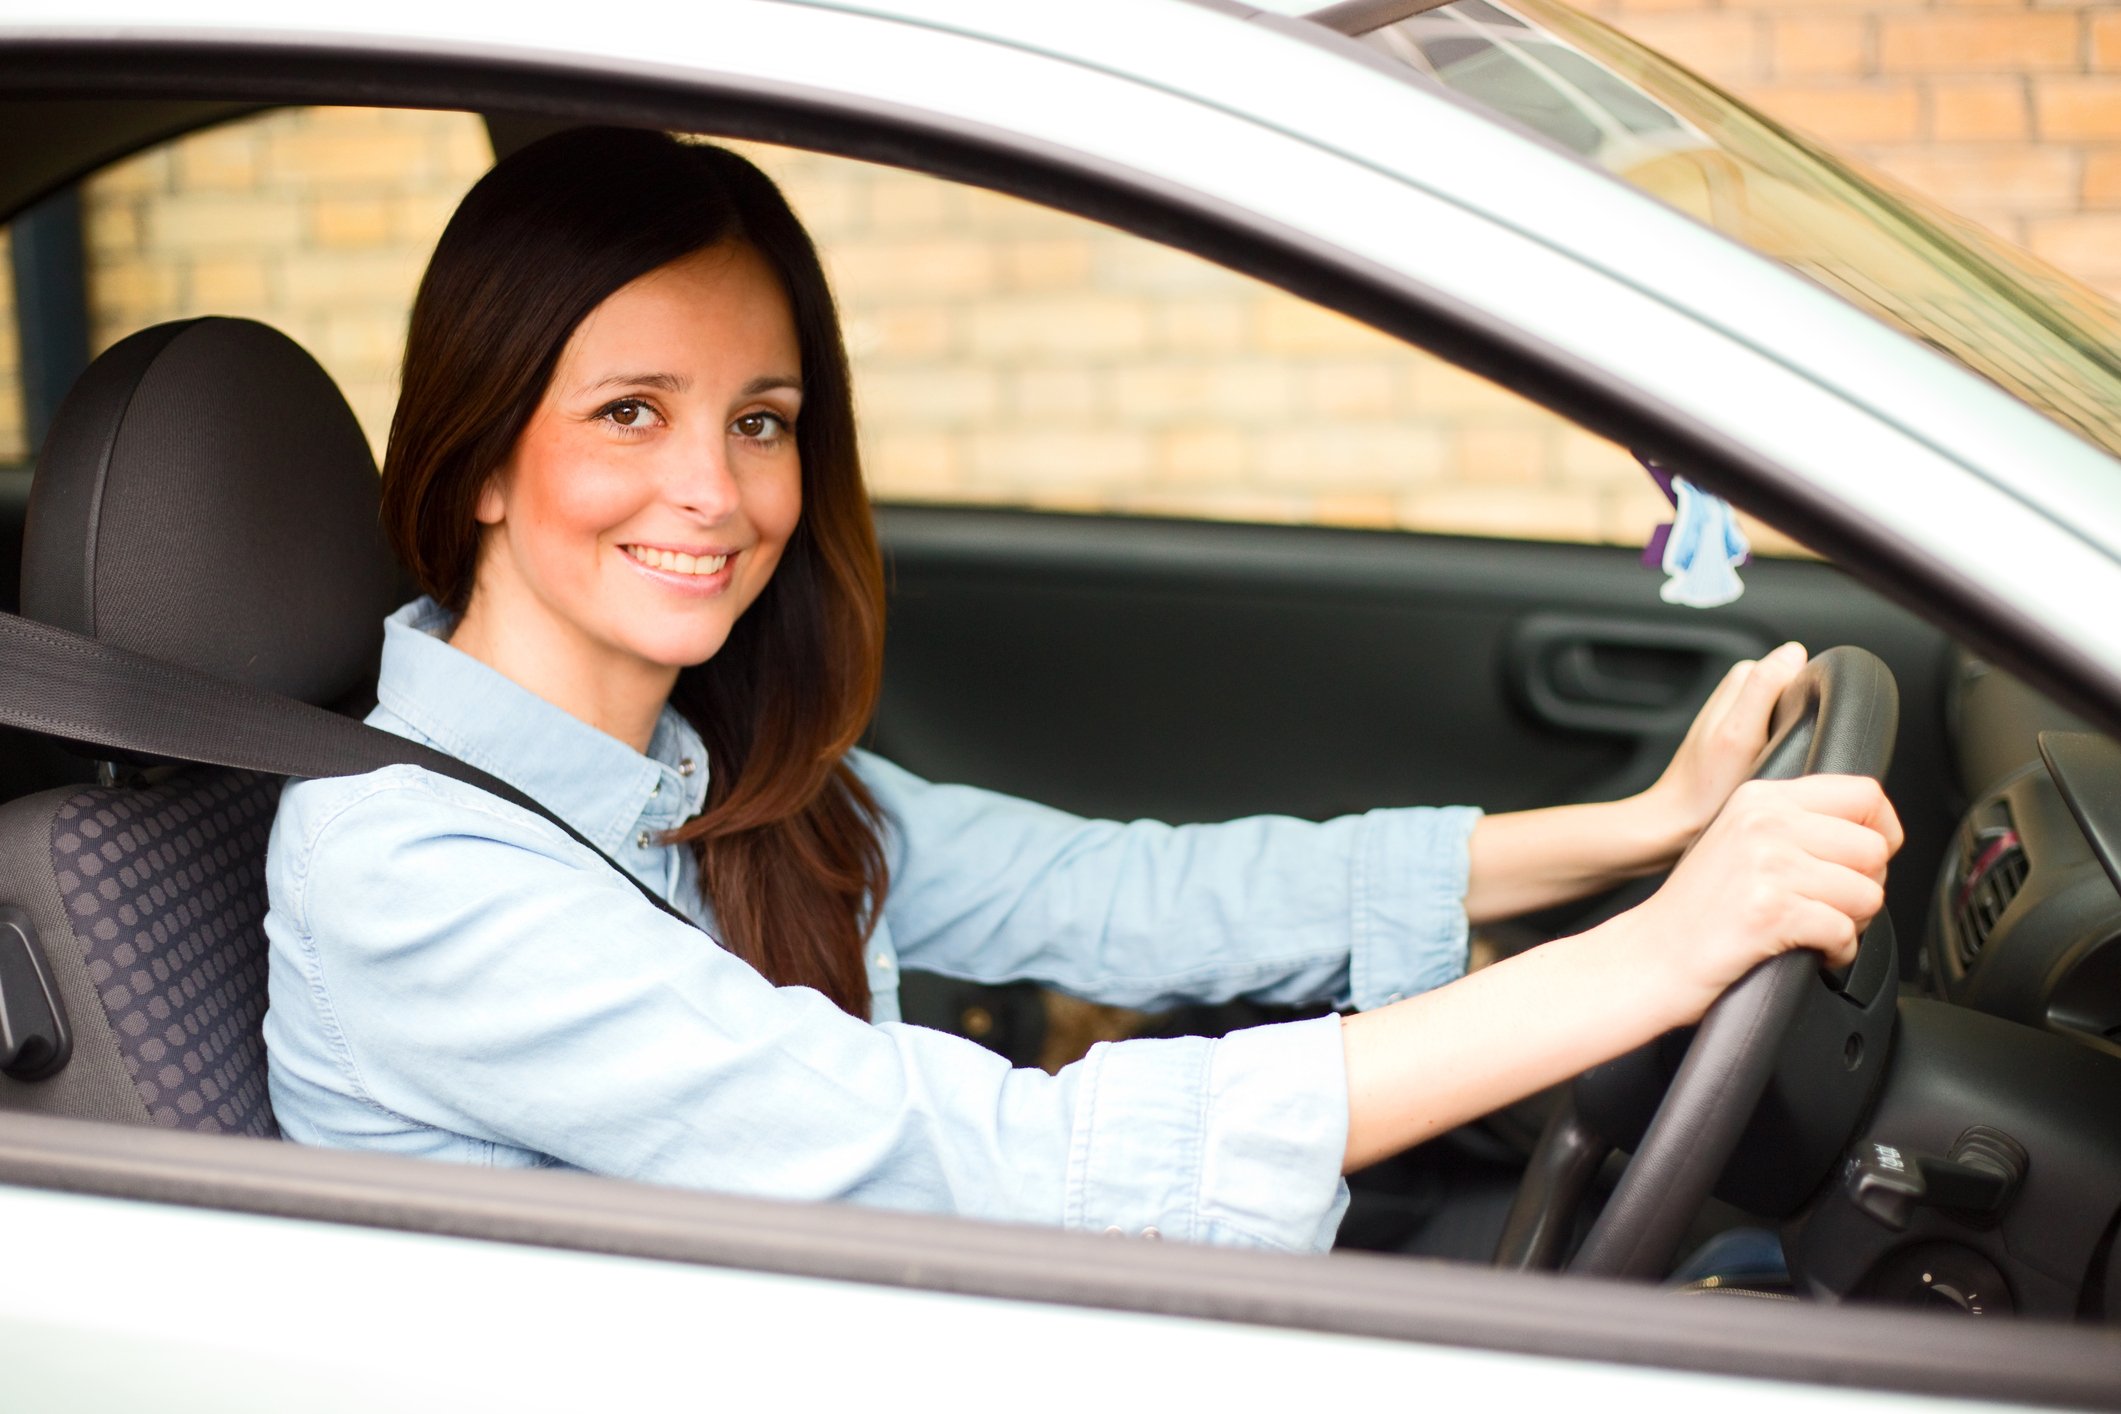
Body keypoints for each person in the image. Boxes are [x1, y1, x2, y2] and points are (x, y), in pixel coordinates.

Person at [262, 128, 1900, 1253]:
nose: (714, 488)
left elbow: (1119, 890)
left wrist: (1639, 830)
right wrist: (1652, 959)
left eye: (760, 419)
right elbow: (1002, 1162)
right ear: (480, 454)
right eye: (630, 411)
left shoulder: (701, 763)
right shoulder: (411, 873)